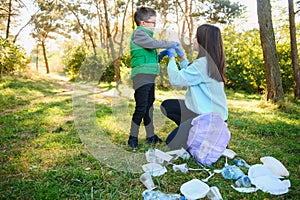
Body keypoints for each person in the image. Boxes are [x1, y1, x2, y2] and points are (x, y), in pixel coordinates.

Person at [160, 24, 228, 150]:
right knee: (167, 105)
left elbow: (177, 79)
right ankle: (191, 130)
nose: (193, 40)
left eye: (196, 37)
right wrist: (182, 58)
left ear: (204, 41)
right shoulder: (207, 62)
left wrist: (171, 57)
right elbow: (190, 74)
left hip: (210, 121)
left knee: (172, 143)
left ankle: (205, 137)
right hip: (203, 114)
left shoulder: (203, 64)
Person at [128, 6, 180, 149]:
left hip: (149, 76)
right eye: (153, 23)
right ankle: (132, 137)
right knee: (141, 107)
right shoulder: (139, 34)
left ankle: (150, 136)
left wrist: (161, 55)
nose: (155, 26)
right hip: (141, 77)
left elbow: (149, 57)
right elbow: (152, 44)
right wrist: (170, 43)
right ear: (143, 23)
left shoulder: (146, 37)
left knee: (149, 106)